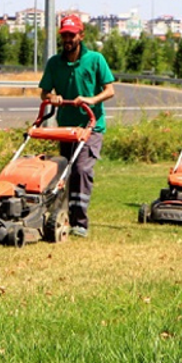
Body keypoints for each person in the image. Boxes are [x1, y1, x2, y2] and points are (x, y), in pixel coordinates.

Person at [38, 15, 116, 238]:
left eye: (72, 35)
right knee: (65, 171)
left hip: (91, 127)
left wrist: (92, 100)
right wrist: (52, 98)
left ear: (81, 35)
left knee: (81, 170)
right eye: (64, 35)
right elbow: (44, 92)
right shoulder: (54, 62)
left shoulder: (95, 59)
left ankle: (80, 222)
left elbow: (110, 90)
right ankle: (61, 214)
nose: (68, 39)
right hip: (67, 128)